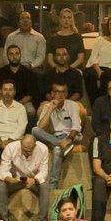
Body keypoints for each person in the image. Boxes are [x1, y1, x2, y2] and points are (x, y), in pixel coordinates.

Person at [29, 82, 82, 212]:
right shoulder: (48, 106)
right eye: (57, 92)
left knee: (58, 149)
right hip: (56, 138)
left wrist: (68, 139)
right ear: (52, 94)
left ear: (66, 94)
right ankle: (61, 146)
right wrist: (50, 109)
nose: (60, 95)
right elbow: (40, 128)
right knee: (34, 130)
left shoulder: (73, 105)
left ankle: (52, 187)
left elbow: (76, 126)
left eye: (63, 92)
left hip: (71, 136)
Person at [0, 77, 31, 146]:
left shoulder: (21, 108)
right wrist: (0, 141)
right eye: (5, 90)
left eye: (10, 90)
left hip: (15, 140)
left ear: (14, 92)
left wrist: (10, 140)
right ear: (0, 91)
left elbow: (21, 128)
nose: (7, 92)